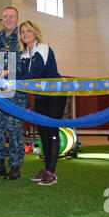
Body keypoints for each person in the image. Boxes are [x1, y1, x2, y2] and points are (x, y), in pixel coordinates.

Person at [18, 20, 66, 186]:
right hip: (40, 97)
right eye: (22, 31)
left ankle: (52, 173)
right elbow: (21, 75)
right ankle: (46, 169)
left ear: (35, 33)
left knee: (51, 130)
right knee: (43, 133)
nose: (25, 33)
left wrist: (11, 78)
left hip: (55, 94)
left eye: (28, 30)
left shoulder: (43, 49)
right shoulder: (24, 55)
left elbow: (32, 73)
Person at [0, 7, 28, 180]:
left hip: (16, 91)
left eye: (12, 16)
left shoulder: (22, 37)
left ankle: (16, 166)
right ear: (1, 19)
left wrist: (5, 72)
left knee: (15, 129)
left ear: (17, 19)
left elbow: (23, 65)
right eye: (5, 16)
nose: (8, 19)